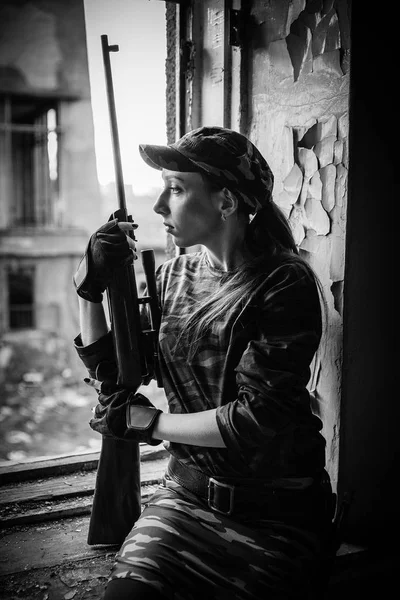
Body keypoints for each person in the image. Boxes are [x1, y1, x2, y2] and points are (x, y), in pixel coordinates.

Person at [73, 126, 334, 600]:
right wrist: (90, 289)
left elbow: (258, 417)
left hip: (278, 517)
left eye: (175, 188)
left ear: (227, 202)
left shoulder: (283, 283)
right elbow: (114, 376)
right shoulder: (174, 274)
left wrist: (149, 424)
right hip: (183, 504)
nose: (158, 206)